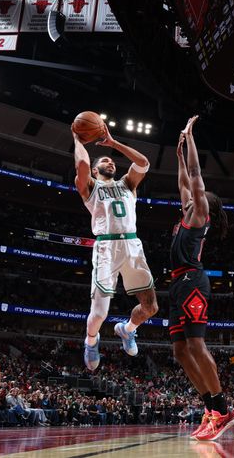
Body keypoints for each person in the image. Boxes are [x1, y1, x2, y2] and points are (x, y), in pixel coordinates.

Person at [169, 115, 234, 441]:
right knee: (180, 351)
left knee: (196, 344)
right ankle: (210, 408)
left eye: (201, 193)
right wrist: (179, 154)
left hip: (193, 281)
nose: (196, 193)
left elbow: (195, 177)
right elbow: (184, 180)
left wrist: (190, 136)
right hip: (177, 283)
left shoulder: (200, 213)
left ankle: (223, 410)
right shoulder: (187, 210)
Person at [72, 122, 158, 371]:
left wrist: (114, 144)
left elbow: (143, 163)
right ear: (97, 169)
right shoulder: (90, 187)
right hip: (106, 248)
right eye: (106, 161)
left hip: (132, 244)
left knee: (151, 307)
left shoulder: (127, 184)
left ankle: (127, 329)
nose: (111, 163)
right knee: (99, 314)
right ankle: (90, 341)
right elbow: (82, 166)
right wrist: (77, 140)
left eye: (112, 161)